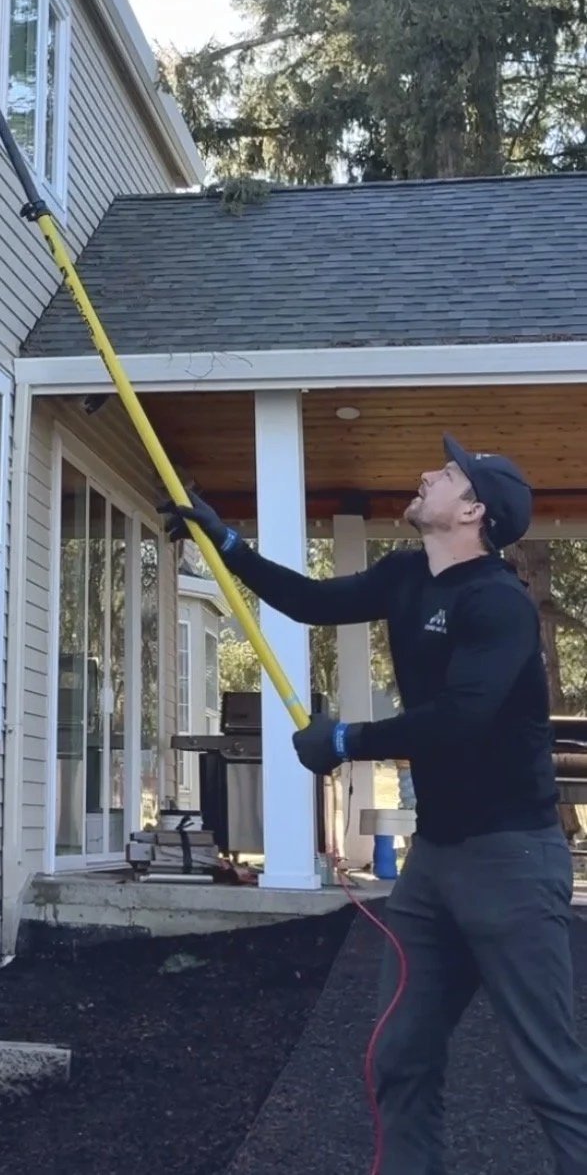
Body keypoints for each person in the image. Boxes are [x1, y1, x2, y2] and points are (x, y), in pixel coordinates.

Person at [165, 436, 587, 1174]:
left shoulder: (498, 603)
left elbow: (462, 715)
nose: (426, 474)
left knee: (549, 1074)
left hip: (511, 863)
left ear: (473, 510)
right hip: (435, 864)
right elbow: (310, 601)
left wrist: (347, 739)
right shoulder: (405, 574)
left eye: (447, 473)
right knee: (400, 1053)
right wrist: (227, 543)